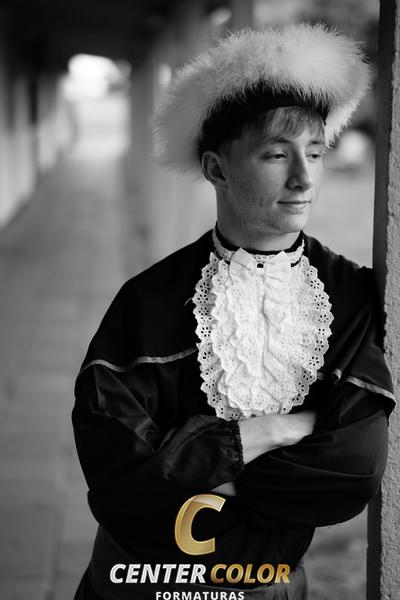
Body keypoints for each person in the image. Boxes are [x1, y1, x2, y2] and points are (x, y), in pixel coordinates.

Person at [72, 24, 394, 599]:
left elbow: (353, 471)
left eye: (315, 152)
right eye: (277, 154)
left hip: (270, 587)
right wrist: (270, 431)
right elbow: (121, 485)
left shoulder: (349, 297)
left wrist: (196, 468)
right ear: (217, 169)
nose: (303, 177)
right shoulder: (147, 301)